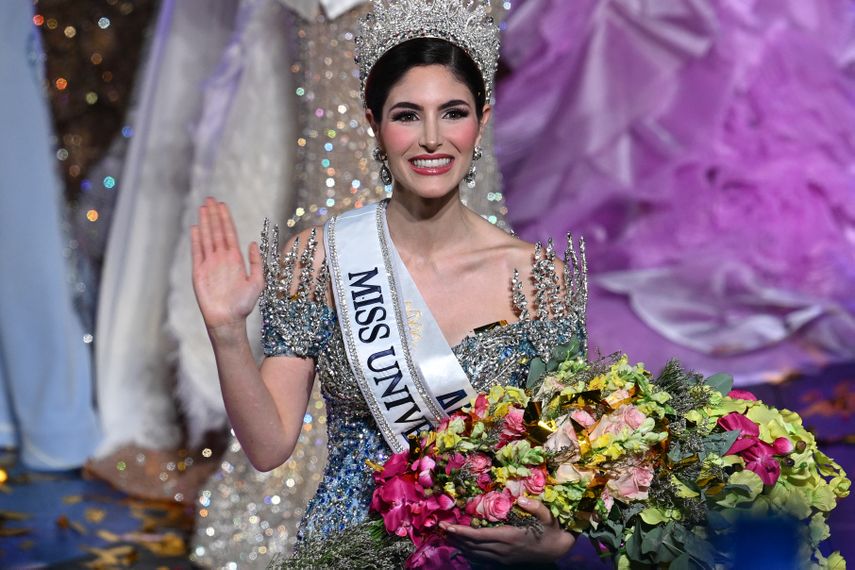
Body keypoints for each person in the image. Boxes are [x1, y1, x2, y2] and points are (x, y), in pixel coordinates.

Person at [190, 0, 586, 564]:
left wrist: (555, 540)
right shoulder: (321, 257)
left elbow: (567, 459)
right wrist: (227, 330)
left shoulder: (537, 277)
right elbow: (269, 445)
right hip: (349, 548)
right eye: (406, 115)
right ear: (373, 124)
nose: (431, 138)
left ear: (483, 120)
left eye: (452, 112)